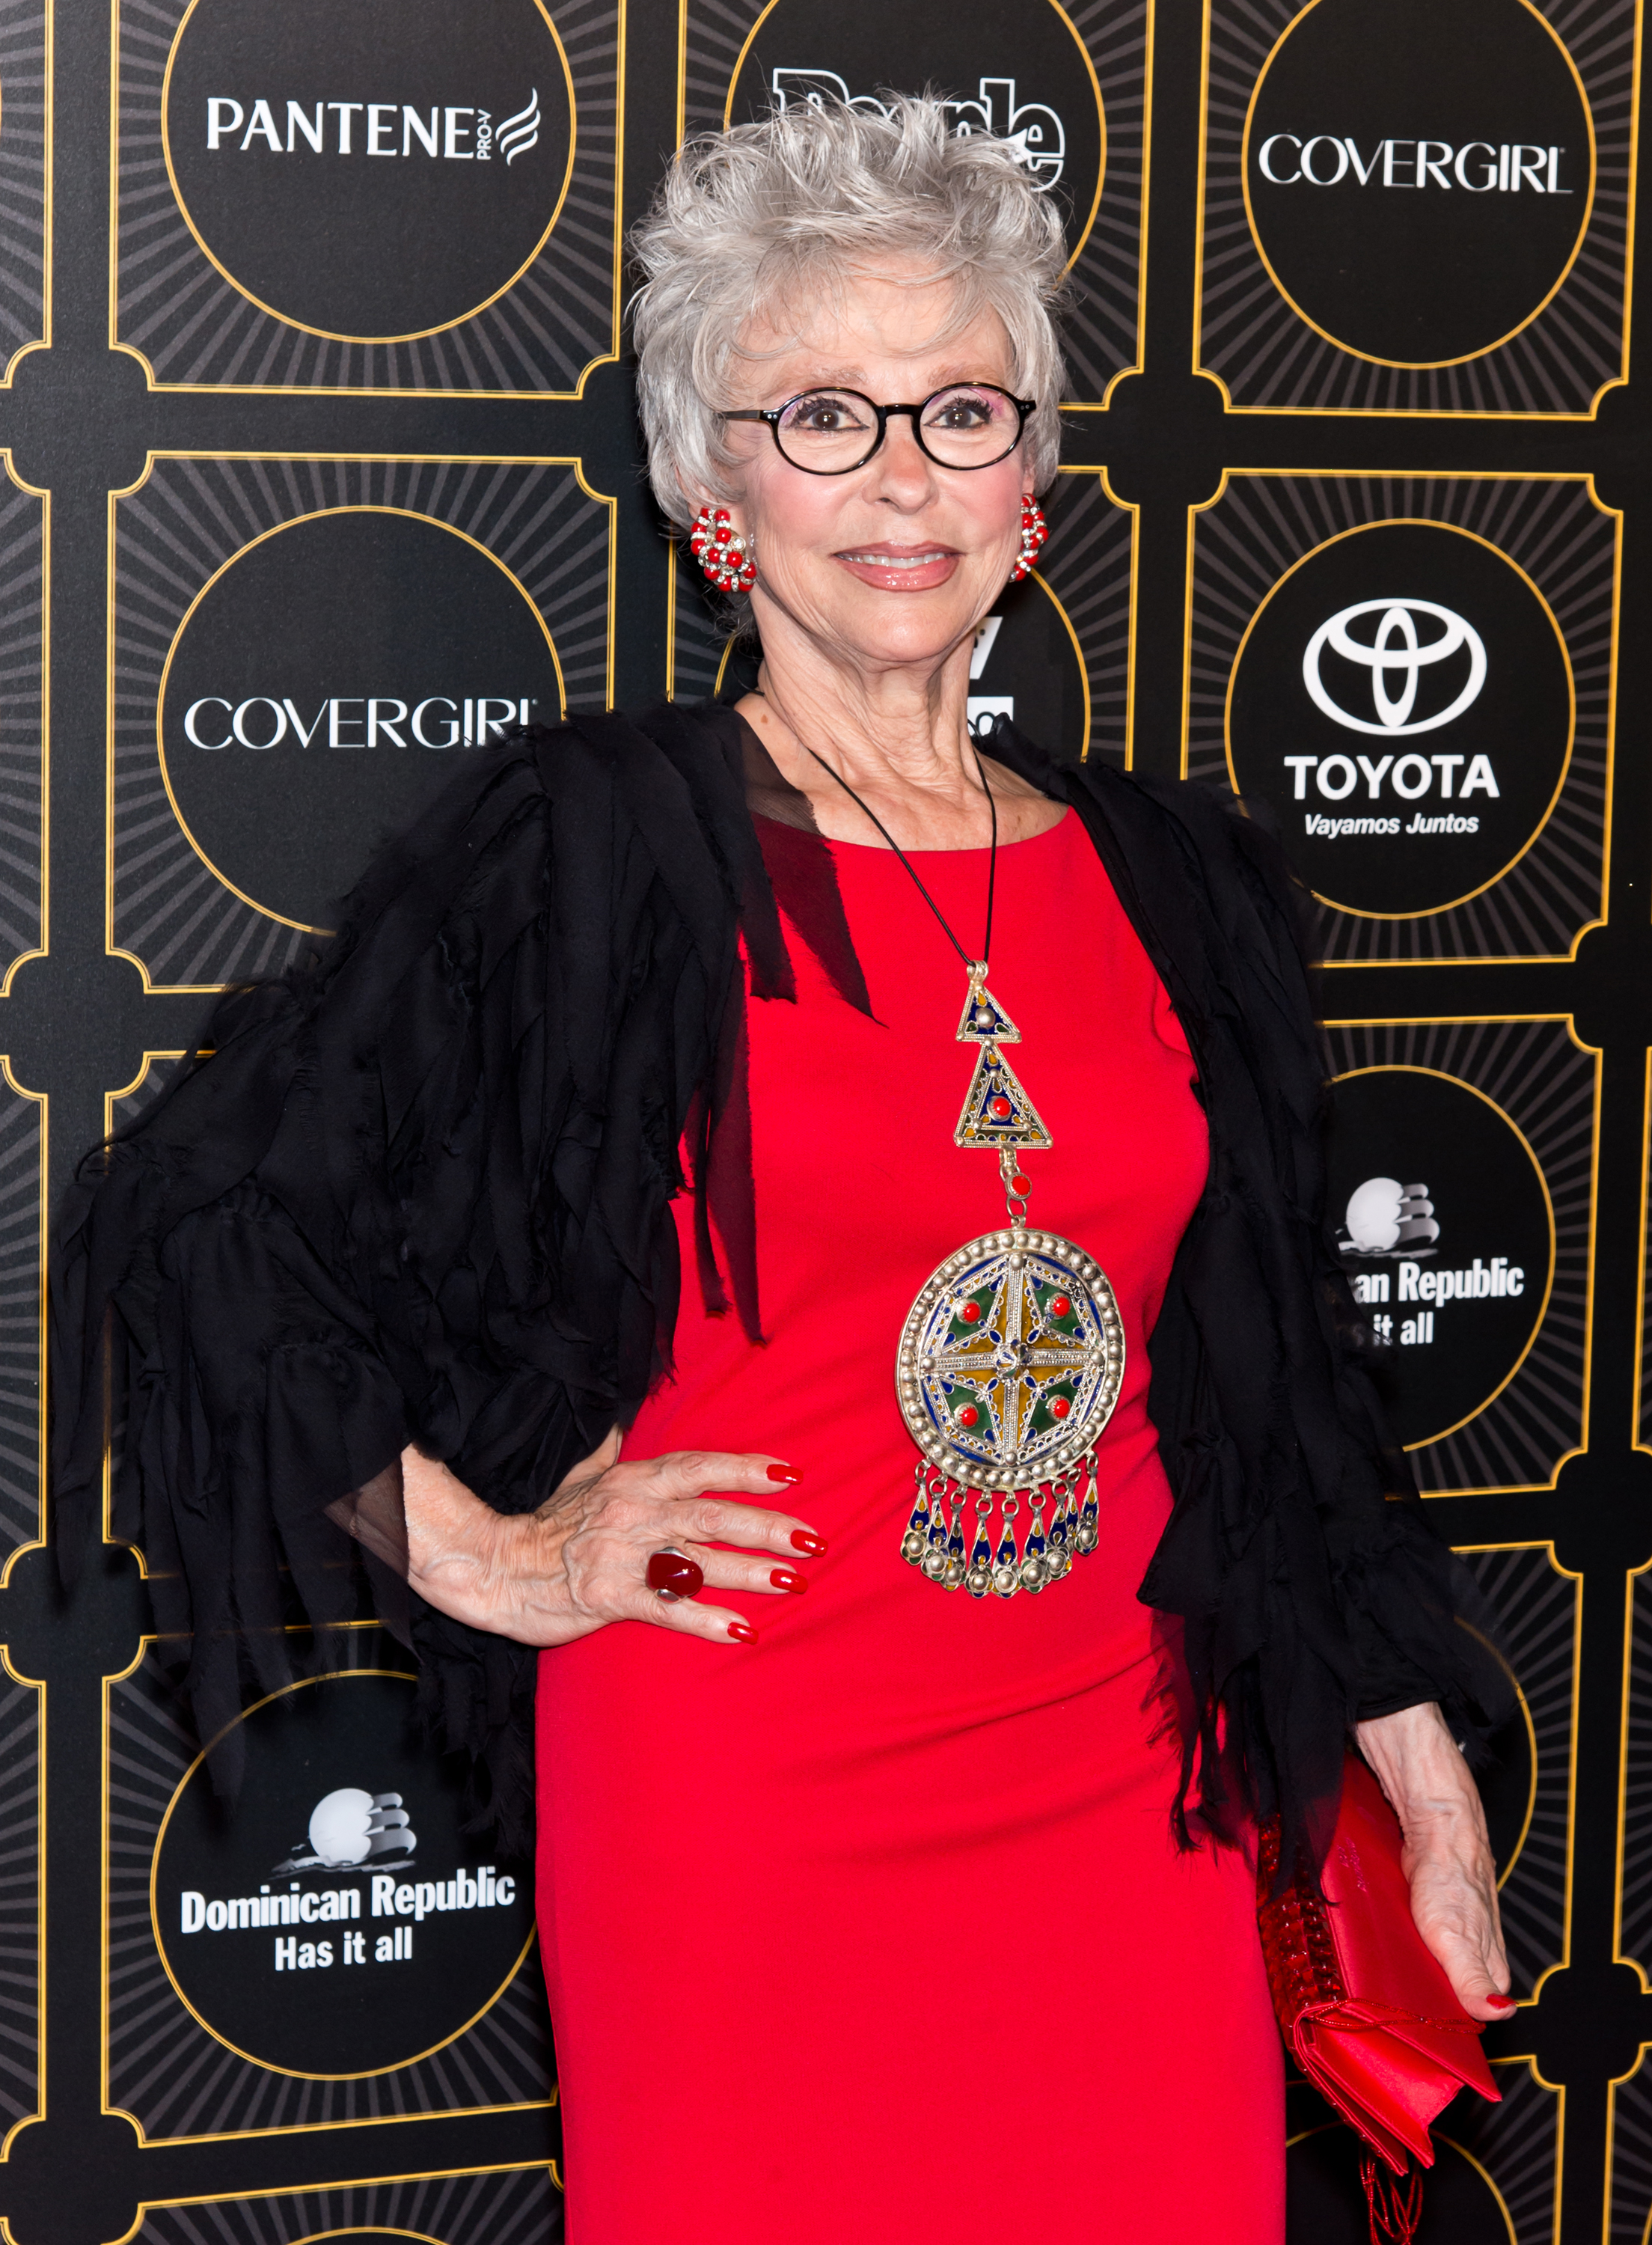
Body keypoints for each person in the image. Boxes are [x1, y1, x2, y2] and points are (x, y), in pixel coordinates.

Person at [55, 98, 1512, 2244]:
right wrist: (489, 1555)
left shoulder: (1177, 879)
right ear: (710, 480)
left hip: (1131, 1806)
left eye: (957, 409)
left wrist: (1412, 1750)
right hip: (744, 1815)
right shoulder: (593, 857)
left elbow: (1281, 1387)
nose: (903, 476)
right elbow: (196, 1223)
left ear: (1035, 479)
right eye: (822, 414)